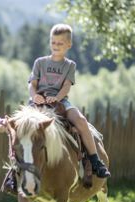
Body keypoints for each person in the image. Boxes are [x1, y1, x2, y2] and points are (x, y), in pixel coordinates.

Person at [28, 24, 111, 178]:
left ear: (68, 45)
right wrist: (34, 96)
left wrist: (57, 98)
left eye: (60, 43)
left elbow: (66, 86)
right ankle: (14, 169)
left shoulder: (70, 65)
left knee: (80, 120)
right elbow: (32, 85)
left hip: (60, 101)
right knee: (20, 125)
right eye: (53, 42)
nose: (56, 46)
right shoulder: (40, 62)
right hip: (38, 101)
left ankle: (95, 161)